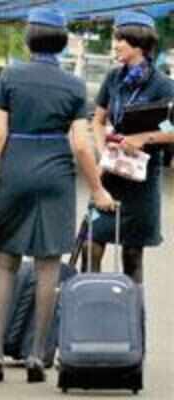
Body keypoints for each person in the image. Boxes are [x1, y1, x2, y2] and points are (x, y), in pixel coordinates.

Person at [0, 7, 115, 384]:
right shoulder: (73, 85)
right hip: (55, 175)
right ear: (61, 40)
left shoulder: (10, 75)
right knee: (47, 266)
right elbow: (82, 145)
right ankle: (37, 354)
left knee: (5, 262)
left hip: (16, 170)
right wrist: (98, 187)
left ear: (29, 38)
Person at [84, 11, 174, 283]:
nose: (115, 46)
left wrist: (143, 139)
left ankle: (132, 321)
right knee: (91, 245)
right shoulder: (113, 79)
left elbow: (171, 129)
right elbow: (98, 121)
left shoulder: (163, 85)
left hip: (142, 180)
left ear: (137, 43)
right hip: (110, 174)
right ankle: (92, 309)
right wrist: (103, 152)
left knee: (132, 257)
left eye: (119, 40)